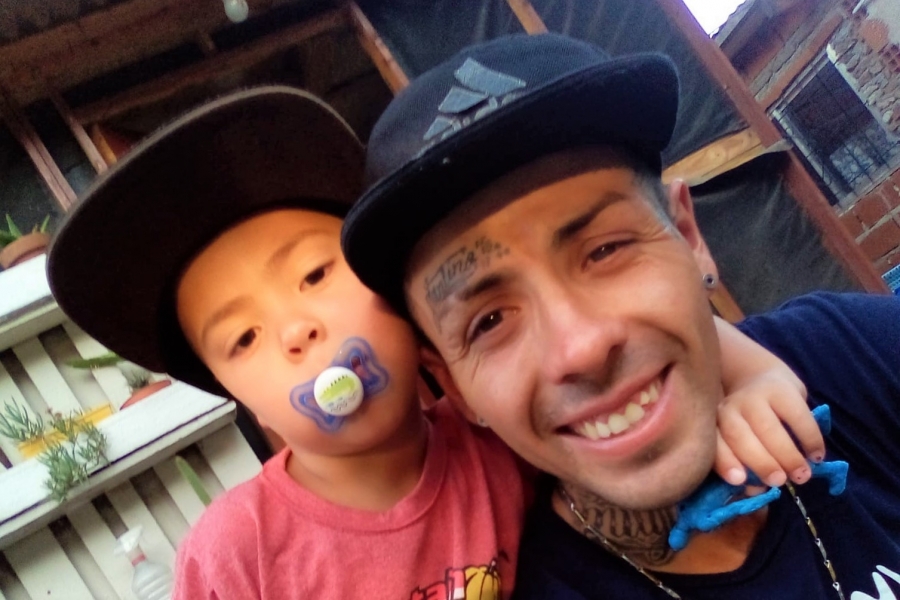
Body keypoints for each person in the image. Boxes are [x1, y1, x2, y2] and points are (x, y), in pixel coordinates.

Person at [48, 86, 818, 600]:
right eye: (243, 338)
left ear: (411, 307)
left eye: (315, 274)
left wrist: (752, 378)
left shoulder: (492, 438)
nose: (294, 331)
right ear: (245, 403)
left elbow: (660, 352)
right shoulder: (237, 550)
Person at [340, 33, 900, 599]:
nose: (581, 348)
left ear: (688, 236)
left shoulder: (848, 356)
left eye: (606, 250)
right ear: (457, 387)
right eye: (488, 321)